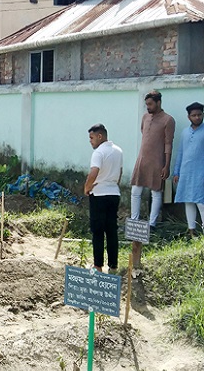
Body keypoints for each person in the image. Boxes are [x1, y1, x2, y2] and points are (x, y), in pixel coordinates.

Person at [130, 90, 175, 270]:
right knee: (136, 190)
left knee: (156, 191)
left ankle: (152, 223)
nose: (148, 107)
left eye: (150, 104)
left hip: (158, 160)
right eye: (146, 104)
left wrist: (167, 165)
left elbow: (168, 143)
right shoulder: (145, 118)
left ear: (158, 102)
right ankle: (134, 220)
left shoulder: (168, 120)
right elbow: (144, 134)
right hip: (142, 158)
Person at [83, 124, 123, 274]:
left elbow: (94, 172)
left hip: (99, 194)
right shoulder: (118, 151)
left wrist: (87, 188)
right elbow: (119, 172)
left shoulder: (98, 153)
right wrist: (113, 185)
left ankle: (98, 266)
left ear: (100, 136)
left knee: (98, 231)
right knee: (112, 230)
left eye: (92, 138)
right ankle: (113, 266)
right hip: (114, 194)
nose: (90, 141)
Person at [173, 102, 204, 238]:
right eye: (194, 115)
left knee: (201, 201)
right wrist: (176, 172)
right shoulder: (185, 132)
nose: (197, 117)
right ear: (188, 117)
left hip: (201, 172)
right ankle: (191, 230)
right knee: (188, 200)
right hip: (186, 172)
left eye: (199, 115)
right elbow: (180, 153)